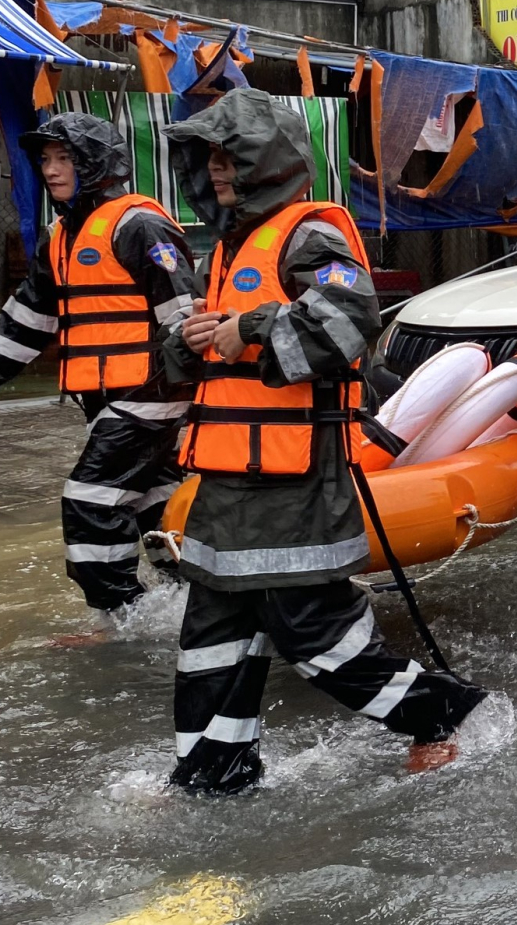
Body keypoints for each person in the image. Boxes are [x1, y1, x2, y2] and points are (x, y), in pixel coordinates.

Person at [160, 89, 483, 794]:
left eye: (229, 156)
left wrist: (245, 331)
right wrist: (183, 343)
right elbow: (195, 365)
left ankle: (444, 716)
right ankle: (211, 775)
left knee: (317, 639)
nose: (216, 171)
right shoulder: (227, 247)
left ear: (264, 161)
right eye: (209, 158)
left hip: (293, 488)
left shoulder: (312, 236)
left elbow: (346, 321)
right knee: (209, 643)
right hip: (226, 490)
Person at [0, 114, 199, 619]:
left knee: (90, 500)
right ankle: (196, 600)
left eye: (64, 158)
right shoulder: (61, 238)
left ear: (95, 163)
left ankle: (122, 618)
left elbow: (185, 317)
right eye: (46, 159)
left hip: (150, 392)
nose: (51, 170)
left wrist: (186, 402)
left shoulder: (138, 224)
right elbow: (27, 320)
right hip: (107, 397)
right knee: (156, 501)